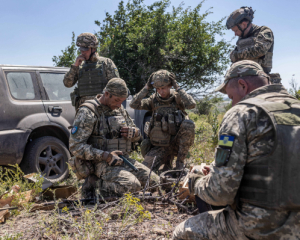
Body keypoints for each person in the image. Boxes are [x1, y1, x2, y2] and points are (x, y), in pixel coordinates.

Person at [173, 60, 300, 239]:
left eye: (231, 97)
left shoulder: (241, 113)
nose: (232, 104)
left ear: (242, 85)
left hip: (261, 227)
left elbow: (220, 194)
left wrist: (196, 182)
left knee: (182, 232)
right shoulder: (296, 107)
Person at [69, 78, 159, 198]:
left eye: (122, 101)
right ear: (106, 94)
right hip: (99, 163)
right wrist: (105, 155)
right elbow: (75, 146)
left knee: (154, 182)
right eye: (116, 100)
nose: (119, 105)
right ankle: (94, 185)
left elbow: (136, 136)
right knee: (132, 185)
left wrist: (134, 133)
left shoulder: (119, 109)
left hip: (122, 159)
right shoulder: (88, 112)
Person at [129, 70, 196, 172]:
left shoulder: (177, 98)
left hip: (176, 144)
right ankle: (166, 162)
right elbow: (133, 104)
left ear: (170, 86)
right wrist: (146, 88)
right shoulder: (153, 100)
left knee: (188, 124)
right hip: (160, 146)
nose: (161, 91)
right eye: (158, 89)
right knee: (145, 171)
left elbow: (192, 104)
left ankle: (179, 163)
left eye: (163, 88)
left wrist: (177, 87)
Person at [63, 32, 120, 110]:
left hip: (102, 110)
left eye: (85, 49)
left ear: (93, 48)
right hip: (83, 110)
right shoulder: (79, 65)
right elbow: (67, 84)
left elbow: (117, 87)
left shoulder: (106, 63)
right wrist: (75, 66)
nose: (83, 52)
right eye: (81, 49)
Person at [226, 7, 281, 84]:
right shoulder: (241, 39)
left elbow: (259, 50)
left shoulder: (264, 31)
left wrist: (237, 55)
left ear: (244, 25)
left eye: (236, 30)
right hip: (244, 81)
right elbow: (233, 57)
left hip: (262, 80)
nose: (235, 34)